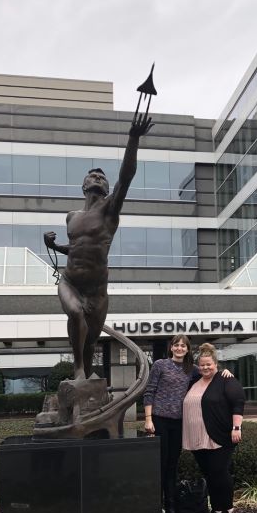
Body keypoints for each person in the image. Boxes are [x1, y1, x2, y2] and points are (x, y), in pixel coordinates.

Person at [44, 113, 154, 381]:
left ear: (106, 188)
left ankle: (87, 374)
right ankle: (78, 369)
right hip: (70, 281)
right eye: (92, 175)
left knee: (91, 340)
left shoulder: (109, 211)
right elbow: (78, 250)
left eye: (101, 177)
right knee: (74, 312)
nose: (97, 178)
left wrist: (133, 138)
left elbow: (126, 177)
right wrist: (54, 245)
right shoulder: (72, 217)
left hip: (97, 289)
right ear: (84, 186)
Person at [142, 335, 233, 513]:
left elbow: (210, 372)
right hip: (159, 420)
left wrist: (225, 372)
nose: (180, 348)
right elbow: (149, 391)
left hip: (178, 423)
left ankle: (171, 510)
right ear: (171, 347)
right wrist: (148, 419)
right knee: (160, 465)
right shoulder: (160, 365)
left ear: (188, 349)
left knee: (172, 467)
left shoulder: (191, 369)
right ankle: (156, 509)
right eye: (177, 345)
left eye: (183, 345)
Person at [182, 343, 245, 513]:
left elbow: (238, 402)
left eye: (208, 364)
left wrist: (236, 427)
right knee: (210, 474)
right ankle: (216, 510)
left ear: (215, 364)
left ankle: (227, 509)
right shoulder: (194, 381)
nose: (205, 368)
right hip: (197, 438)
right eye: (202, 365)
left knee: (220, 473)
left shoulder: (226, 380)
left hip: (219, 436)